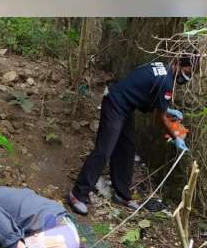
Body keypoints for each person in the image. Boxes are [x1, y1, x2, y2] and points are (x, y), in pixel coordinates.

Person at [67, 54, 198, 215]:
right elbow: (161, 118)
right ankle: (77, 194)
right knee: (104, 150)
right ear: (179, 64)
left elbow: (147, 91)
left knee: (127, 149)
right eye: (187, 72)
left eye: (190, 74)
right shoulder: (167, 82)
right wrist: (176, 137)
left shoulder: (161, 67)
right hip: (115, 104)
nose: (187, 76)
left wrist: (166, 109)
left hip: (126, 106)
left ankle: (122, 195)